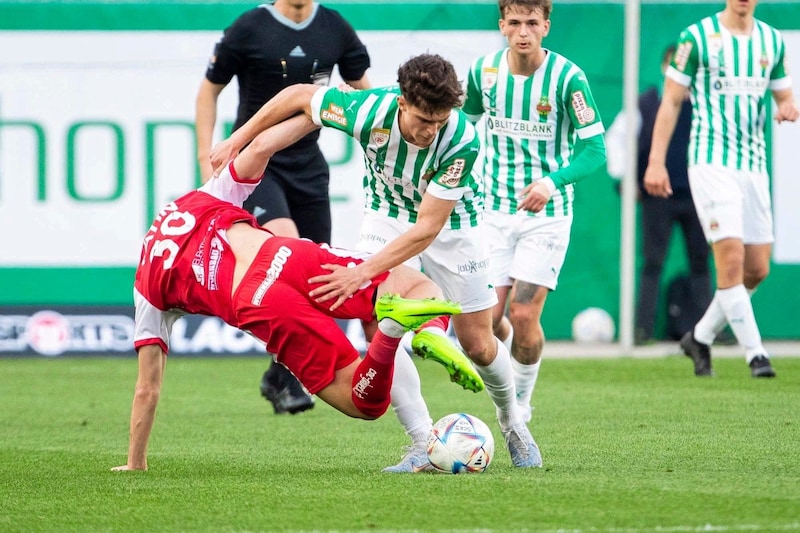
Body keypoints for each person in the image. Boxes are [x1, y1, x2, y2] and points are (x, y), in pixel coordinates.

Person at [210, 53, 543, 471]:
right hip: (386, 214)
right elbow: (297, 95)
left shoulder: (461, 140)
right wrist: (237, 138)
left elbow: (427, 228)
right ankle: (423, 442)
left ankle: (513, 422)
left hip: (453, 226)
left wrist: (361, 272)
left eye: (439, 120)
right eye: (424, 119)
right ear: (402, 101)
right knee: (378, 316)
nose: (431, 130)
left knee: (477, 343)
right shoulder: (367, 109)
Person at [112, 115, 482, 471]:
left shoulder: (146, 286)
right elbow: (261, 147)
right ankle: (430, 331)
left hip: (260, 303)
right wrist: (317, 115)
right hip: (287, 256)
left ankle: (389, 334)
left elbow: (147, 389)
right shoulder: (198, 199)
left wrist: (136, 461)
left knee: (364, 402)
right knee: (417, 285)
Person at [195, 0, 372, 414]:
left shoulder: (335, 28)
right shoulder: (249, 27)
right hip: (258, 164)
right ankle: (289, 378)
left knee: (314, 278)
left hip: (310, 167)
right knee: (285, 250)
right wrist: (206, 154)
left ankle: (280, 374)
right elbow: (209, 91)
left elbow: (365, 92)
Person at [461, 0, 607, 423]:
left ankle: (519, 406)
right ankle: (506, 364)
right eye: (515, 23)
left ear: (546, 25)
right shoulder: (483, 73)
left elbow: (595, 149)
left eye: (532, 23)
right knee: (485, 322)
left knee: (524, 314)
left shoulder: (568, 79)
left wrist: (551, 182)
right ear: (502, 25)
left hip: (547, 215)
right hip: (491, 211)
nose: (523, 31)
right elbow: (463, 127)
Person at [643, 0, 799, 377]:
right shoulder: (696, 37)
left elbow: (783, 95)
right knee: (728, 261)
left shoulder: (771, 41)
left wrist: (788, 107)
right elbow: (671, 102)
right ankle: (756, 354)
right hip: (711, 163)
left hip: (754, 167)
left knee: (757, 269)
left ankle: (699, 337)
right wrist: (656, 161)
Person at [605, 45, 711, 345]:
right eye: (672, 64)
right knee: (652, 262)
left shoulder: (706, 106)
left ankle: (710, 332)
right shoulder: (647, 103)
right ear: (665, 67)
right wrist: (625, 177)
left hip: (697, 196)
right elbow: (617, 138)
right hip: (657, 198)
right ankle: (641, 329)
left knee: (701, 263)